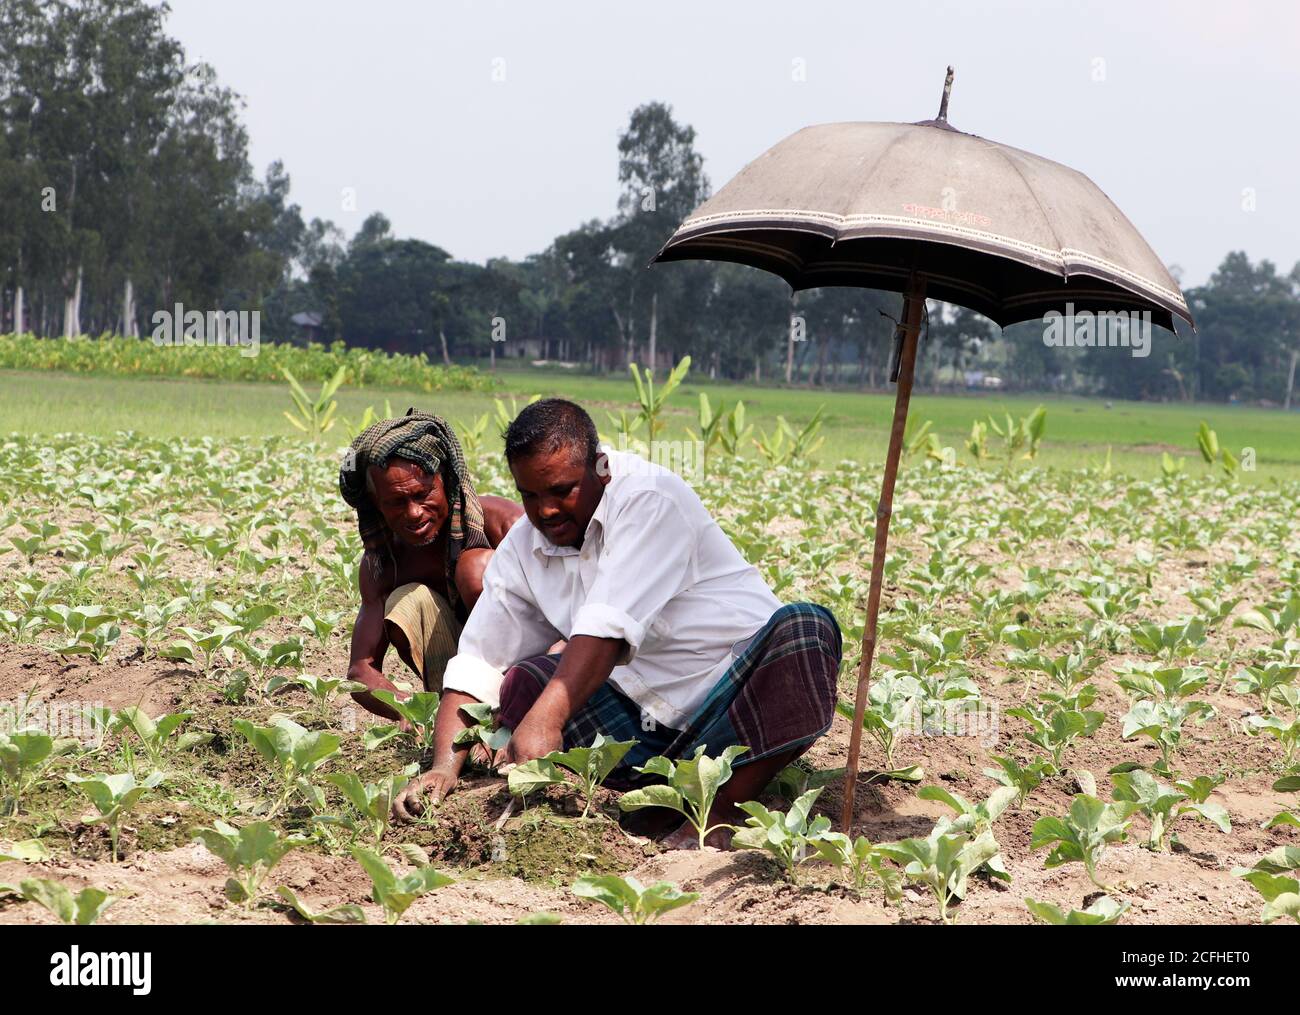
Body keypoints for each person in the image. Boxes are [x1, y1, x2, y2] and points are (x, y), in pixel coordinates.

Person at [392, 399, 842, 848]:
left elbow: (606, 629)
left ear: (600, 469)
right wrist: (442, 767)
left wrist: (546, 720)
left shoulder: (650, 499)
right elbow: (479, 661)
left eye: (562, 490)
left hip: (733, 701)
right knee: (524, 681)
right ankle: (651, 798)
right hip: (641, 715)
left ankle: (719, 810)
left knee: (805, 629)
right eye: (531, 495)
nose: (546, 510)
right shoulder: (528, 545)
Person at [339, 410, 522, 721]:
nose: (413, 513)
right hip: (456, 682)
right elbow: (361, 670)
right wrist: (406, 709)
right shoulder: (384, 563)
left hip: (526, 670)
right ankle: (455, 714)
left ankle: (508, 712)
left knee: (474, 569)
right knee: (405, 600)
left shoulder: (504, 525)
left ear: (446, 481)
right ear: (376, 505)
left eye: (423, 495)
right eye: (396, 502)